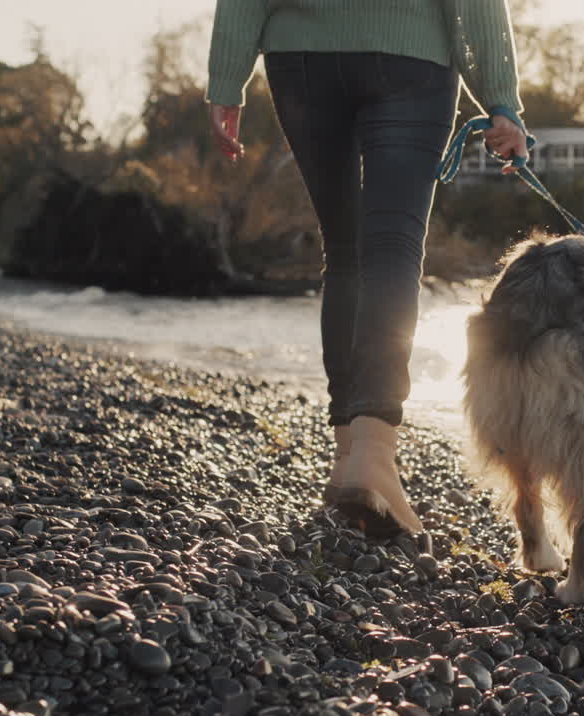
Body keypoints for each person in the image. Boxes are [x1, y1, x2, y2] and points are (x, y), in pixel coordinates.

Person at [206, 1, 528, 536]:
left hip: (301, 60)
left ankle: (347, 457)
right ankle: (374, 454)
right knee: (391, 249)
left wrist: (226, 80)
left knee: (346, 253)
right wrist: (500, 99)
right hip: (409, 55)